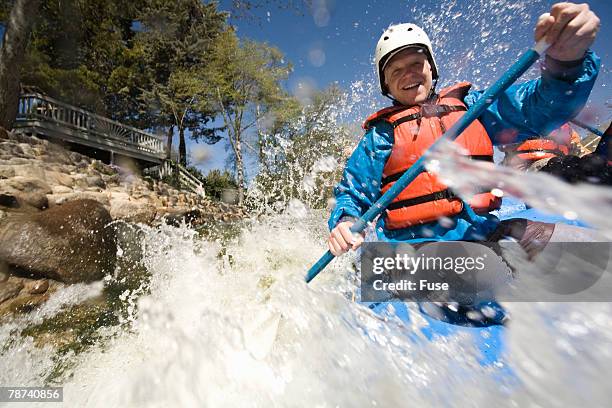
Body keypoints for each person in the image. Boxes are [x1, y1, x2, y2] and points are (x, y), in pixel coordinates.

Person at [328, 2, 601, 257]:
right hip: (412, 249)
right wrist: (346, 222)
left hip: (483, 231)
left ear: (431, 68)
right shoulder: (380, 136)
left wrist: (567, 64)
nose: (408, 74)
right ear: (385, 85)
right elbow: (353, 193)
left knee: (591, 257)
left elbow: (538, 107)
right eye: (396, 70)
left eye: (416, 64)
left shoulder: (472, 109)